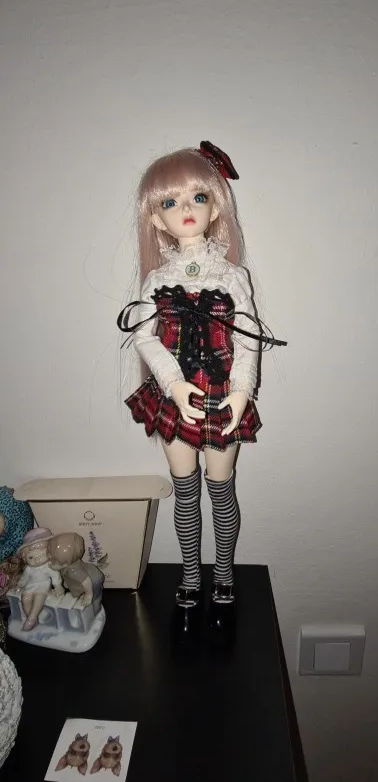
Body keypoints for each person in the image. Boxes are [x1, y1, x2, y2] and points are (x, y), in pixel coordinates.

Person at [118, 141, 285, 635]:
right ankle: (192, 576)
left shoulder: (232, 276)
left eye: (197, 197)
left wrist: (242, 390)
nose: (185, 210)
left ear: (215, 208)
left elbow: (247, 339)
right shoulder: (156, 279)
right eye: (170, 202)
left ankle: (224, 576)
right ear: (156, 219)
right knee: (185, 492)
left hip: (221, 395)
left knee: (221, 490)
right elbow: (144, 337)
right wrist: (171, 382)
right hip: (176, 400)